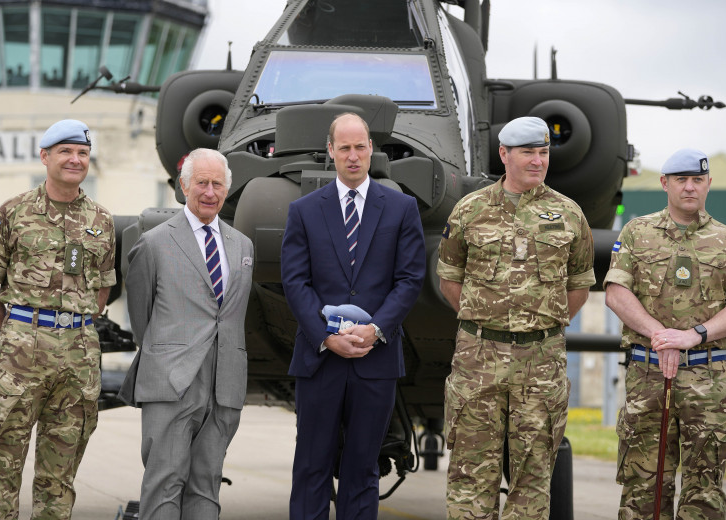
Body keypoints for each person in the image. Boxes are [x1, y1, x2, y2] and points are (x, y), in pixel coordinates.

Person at [437, 116, 595, 519]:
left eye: (543, 153)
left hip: (541, 363)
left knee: (534, 477)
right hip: (478, 361)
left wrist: (538, 324)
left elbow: (579, 285)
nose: (538, 161)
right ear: (504, 154)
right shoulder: (470, 210)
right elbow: (450, 280)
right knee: (472, 475)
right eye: (528, 152)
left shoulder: (569, 214)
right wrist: (486, 324)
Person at [281, 112, 426, 519]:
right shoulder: (304, 211)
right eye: (343, 147)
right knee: (311, 464)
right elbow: (295, 282)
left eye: (360, 146)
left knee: (363, 468)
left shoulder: (401, 208)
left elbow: (410, 279)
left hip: (374, 358)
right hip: (320, 358)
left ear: (371, 150)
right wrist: (327, 335)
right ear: (330, 152)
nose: (353, 155)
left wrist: (375, 329)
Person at [604, 148, 726, 520]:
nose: (690, 187)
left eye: (697, 180)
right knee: (643, 485)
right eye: (681, 180)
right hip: (649, 374)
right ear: (665, 183)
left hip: (708, 378)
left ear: (708, 184)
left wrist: (693, 336)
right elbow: (616, 293)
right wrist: (661, 334)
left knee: (704, 488)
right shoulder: (636, 234)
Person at [0, 119, 116, 519]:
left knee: (61, 472)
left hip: (78, 356)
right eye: (66, 152)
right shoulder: (13, 213)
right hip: (20, 353)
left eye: (83, 153)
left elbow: (103, 287)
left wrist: (76, 323)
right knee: (0, 463)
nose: (76, 160)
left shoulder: (101, 220)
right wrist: (13, 329)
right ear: (45, 156)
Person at [117, 148, 254, 520]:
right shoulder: (155, 242)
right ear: (183, 186)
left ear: (227, 188)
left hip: (223, 382)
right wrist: (167, 354)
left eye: (218, 184)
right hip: (171, 379)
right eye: (202, 183)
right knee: (164, 483)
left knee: (206, 485)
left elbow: (230, 314)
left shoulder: (243, 246)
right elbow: (141, 317)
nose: (210, 192)